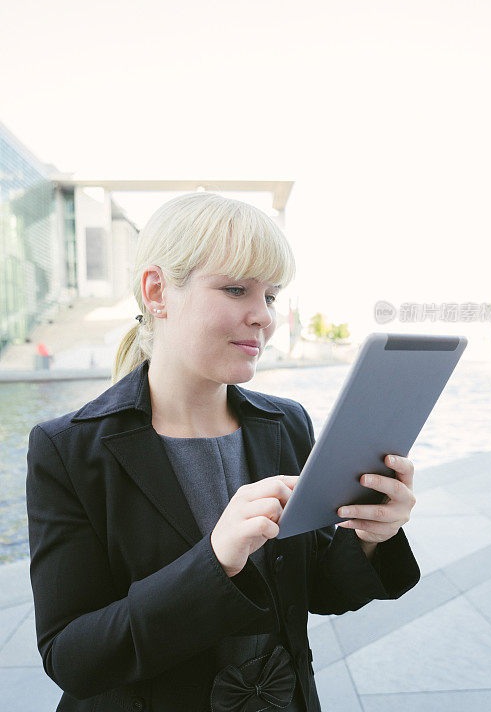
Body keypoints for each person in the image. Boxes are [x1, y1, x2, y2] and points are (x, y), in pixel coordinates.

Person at [26, 191, 421, 712]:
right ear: (157, 290)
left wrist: (372, 535)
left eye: (272, 296)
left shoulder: (285, 423)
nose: (263, 317)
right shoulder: (69, 449)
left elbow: (318, 591)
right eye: (237, 289)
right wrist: (215, 561)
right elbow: (73, 658)